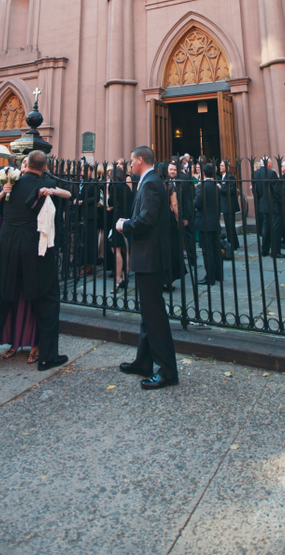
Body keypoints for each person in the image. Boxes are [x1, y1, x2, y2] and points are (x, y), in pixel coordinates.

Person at [0, 149, 71, 372]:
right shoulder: (47, 185)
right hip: (34, 248)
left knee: (0, 297)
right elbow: (62, 206)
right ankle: (47, 357)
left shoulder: (10, 183)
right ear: (45, 167)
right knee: (46, 299)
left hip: (8, 246)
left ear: (25, 164)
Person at [116, 145, 178, 390]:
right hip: (146, 257)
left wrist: (124, 225)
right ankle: (143, 362)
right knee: (148, 314)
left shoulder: (151, 183)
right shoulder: (149, 180)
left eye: (132, 161)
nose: (130, 166)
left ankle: (167, 371)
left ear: (140, 160)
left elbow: (147, 220)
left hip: (150, 258)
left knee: (155, 316)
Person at [195, 163, 223, 285]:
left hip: (204, 222)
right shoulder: (216, 186)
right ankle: (218, 275)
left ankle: (210, 277)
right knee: (216, 249)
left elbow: (197, 203)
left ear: (203, 173)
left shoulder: (202, 186)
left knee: (207, 250)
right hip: (215, 222)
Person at [108, 164, 134, 293]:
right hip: (127, 219)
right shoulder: (127, 187)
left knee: (116, 248)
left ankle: (118, 279)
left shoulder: (114, 186)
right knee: (126, 248)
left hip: (118, 218)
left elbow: (110, 202)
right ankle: (125, 276)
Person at [252, 156, 285, 259]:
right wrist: (281, 202)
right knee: (275, 228)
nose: (271, 165)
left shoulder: (256, 174)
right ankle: (276, 252)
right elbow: (277, 191)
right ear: (268, 163)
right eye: (271, 163)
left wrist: (260, 200)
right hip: (274, 205)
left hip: (263, 203)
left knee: (265, 227)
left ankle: (265, 250)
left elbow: (255, 190)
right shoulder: (271, 173)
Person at [217, 160, 240, 251]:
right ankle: (235, 243)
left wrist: (220, 188)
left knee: (230, 226)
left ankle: (233, 244)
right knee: (229, 226)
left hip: (229, 205)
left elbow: (231, 191)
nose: (220, 167)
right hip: (225, 205)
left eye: (222, 166)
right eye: (220, 165)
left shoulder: (230, 177)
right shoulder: (223, 177)